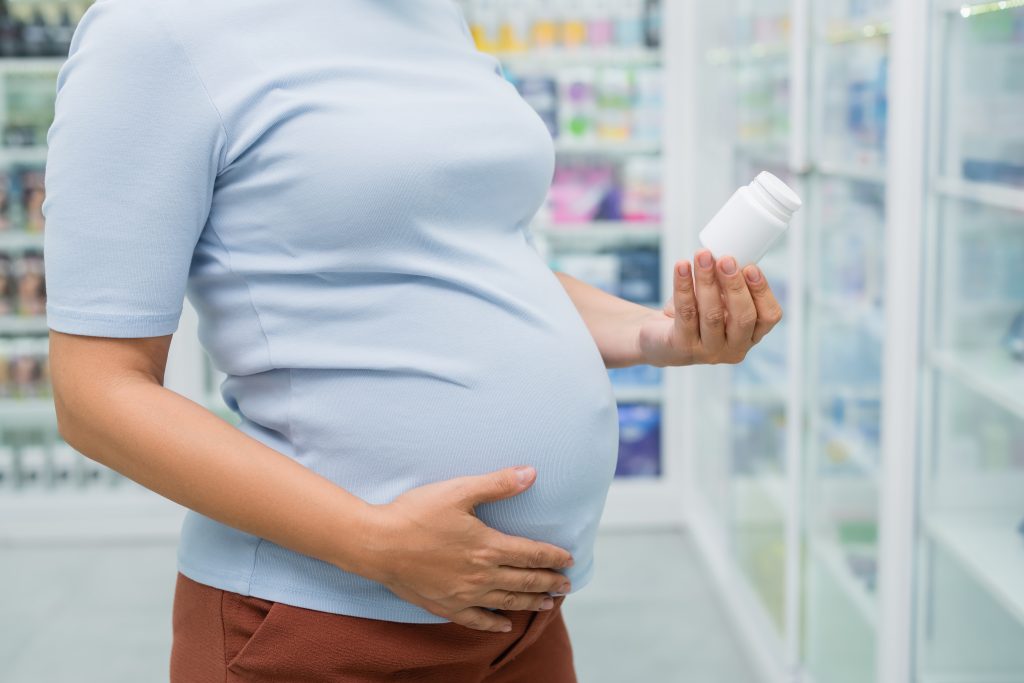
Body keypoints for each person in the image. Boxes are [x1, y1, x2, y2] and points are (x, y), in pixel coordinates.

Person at [42, 1, 783, 681]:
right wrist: (372, 541)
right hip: (321, 622)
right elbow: (95, 394)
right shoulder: (157, 31)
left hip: (521, 618)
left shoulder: (432, 15)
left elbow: (482, 262)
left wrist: (656, 334)